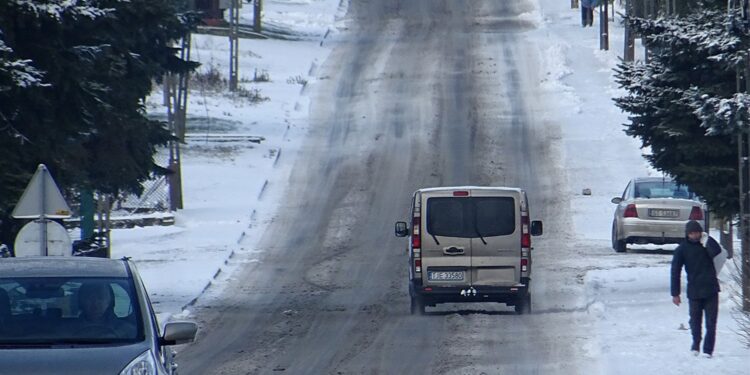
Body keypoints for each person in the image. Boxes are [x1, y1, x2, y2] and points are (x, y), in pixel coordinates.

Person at [671, 220, 721, 358]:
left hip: (711, 289)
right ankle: (695, 344)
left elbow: (717, 252)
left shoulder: (705, 244)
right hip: (694, 290)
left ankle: (708, 349)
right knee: (695, 320)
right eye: (692, 233)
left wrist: (707, 240)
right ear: (687, 234)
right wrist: (675, 293)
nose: (695, 235)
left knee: (711, 322)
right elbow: (675, 271)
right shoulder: (682, 249)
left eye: (697, 233)